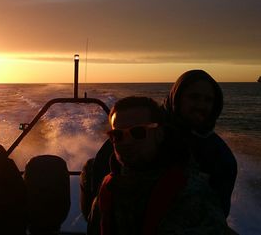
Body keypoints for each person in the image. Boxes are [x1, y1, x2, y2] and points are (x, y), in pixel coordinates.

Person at [88, 96, 228, 235]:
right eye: (117, 135)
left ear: (159, 134)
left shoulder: (191, 194)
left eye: (138, 132)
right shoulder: (109, 188)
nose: (126, 142)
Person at [163, 70, 237, 217]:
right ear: (177, 97)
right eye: (194, 97)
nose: (201, 105)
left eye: (208, 100)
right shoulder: (145, 133)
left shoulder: (220, 155)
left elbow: (217, 214)